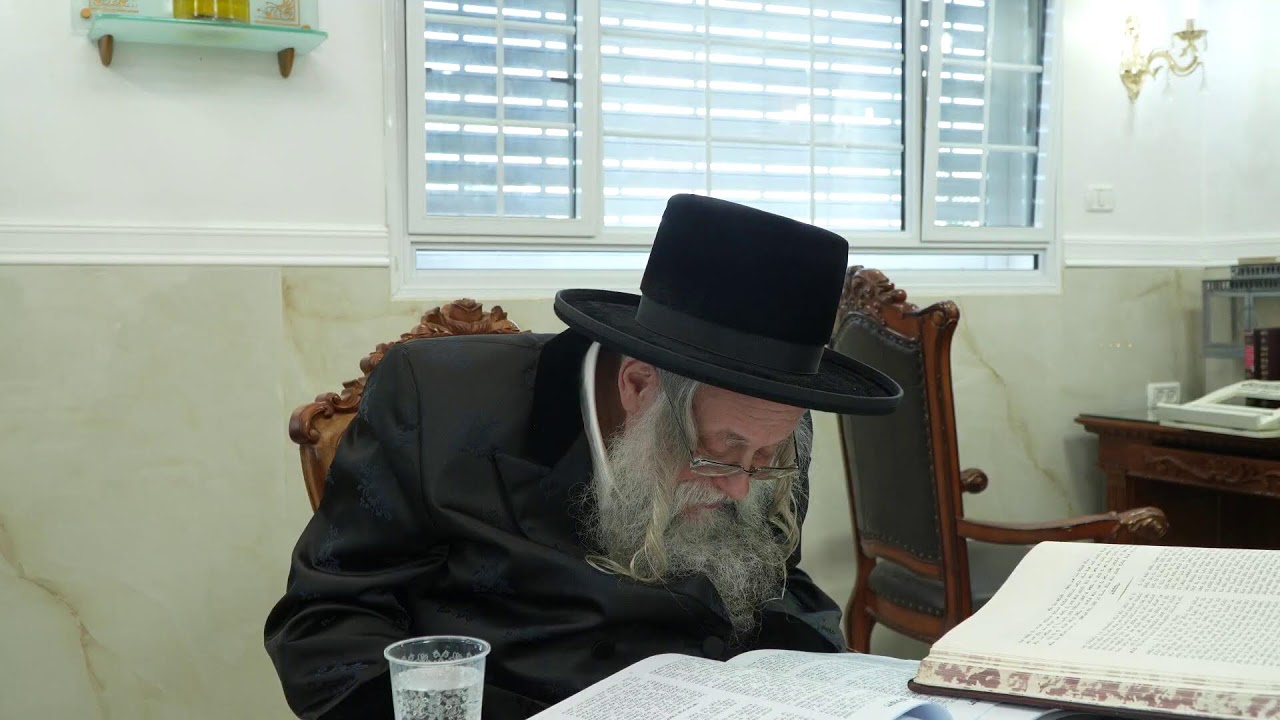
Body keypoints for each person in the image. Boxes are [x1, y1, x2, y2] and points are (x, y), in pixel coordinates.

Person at [264, 194, 903, 719]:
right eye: (719, 454)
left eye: (764, 457)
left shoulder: (764, 430)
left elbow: (773, 579)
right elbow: (326, 625)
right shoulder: (439, 402)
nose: (743, 484)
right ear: (638, 385)